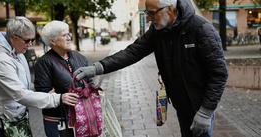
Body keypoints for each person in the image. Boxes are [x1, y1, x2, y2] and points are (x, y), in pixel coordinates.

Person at [74, 0, 228, 137]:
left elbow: (219, 74)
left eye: (152, 13)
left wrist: (206, 112)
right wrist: (97, 68)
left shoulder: (201, 29)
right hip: (181, 104)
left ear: (169, 9)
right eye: (147, 13)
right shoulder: (158, 31)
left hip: (200, 105)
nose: (149, 18)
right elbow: (132, 52)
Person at [0, 16, 79, 137]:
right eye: (26, 40)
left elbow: (21, 85)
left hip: (12, 117)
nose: (30, 44)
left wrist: (39, 91)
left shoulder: (17, 52)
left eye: (32, 39)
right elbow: (19, 94)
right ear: (12, 37)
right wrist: (58, 99)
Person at [34, 20, 99, 137]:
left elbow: (89, 81)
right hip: (58, 120)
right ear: (52, 41)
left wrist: (96, 89)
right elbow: (42, 94)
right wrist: (58, 97)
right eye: (64, 35)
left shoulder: (80, 57)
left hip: (83, 115)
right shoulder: (43, 63)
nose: (69, 38)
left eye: (69, 34)